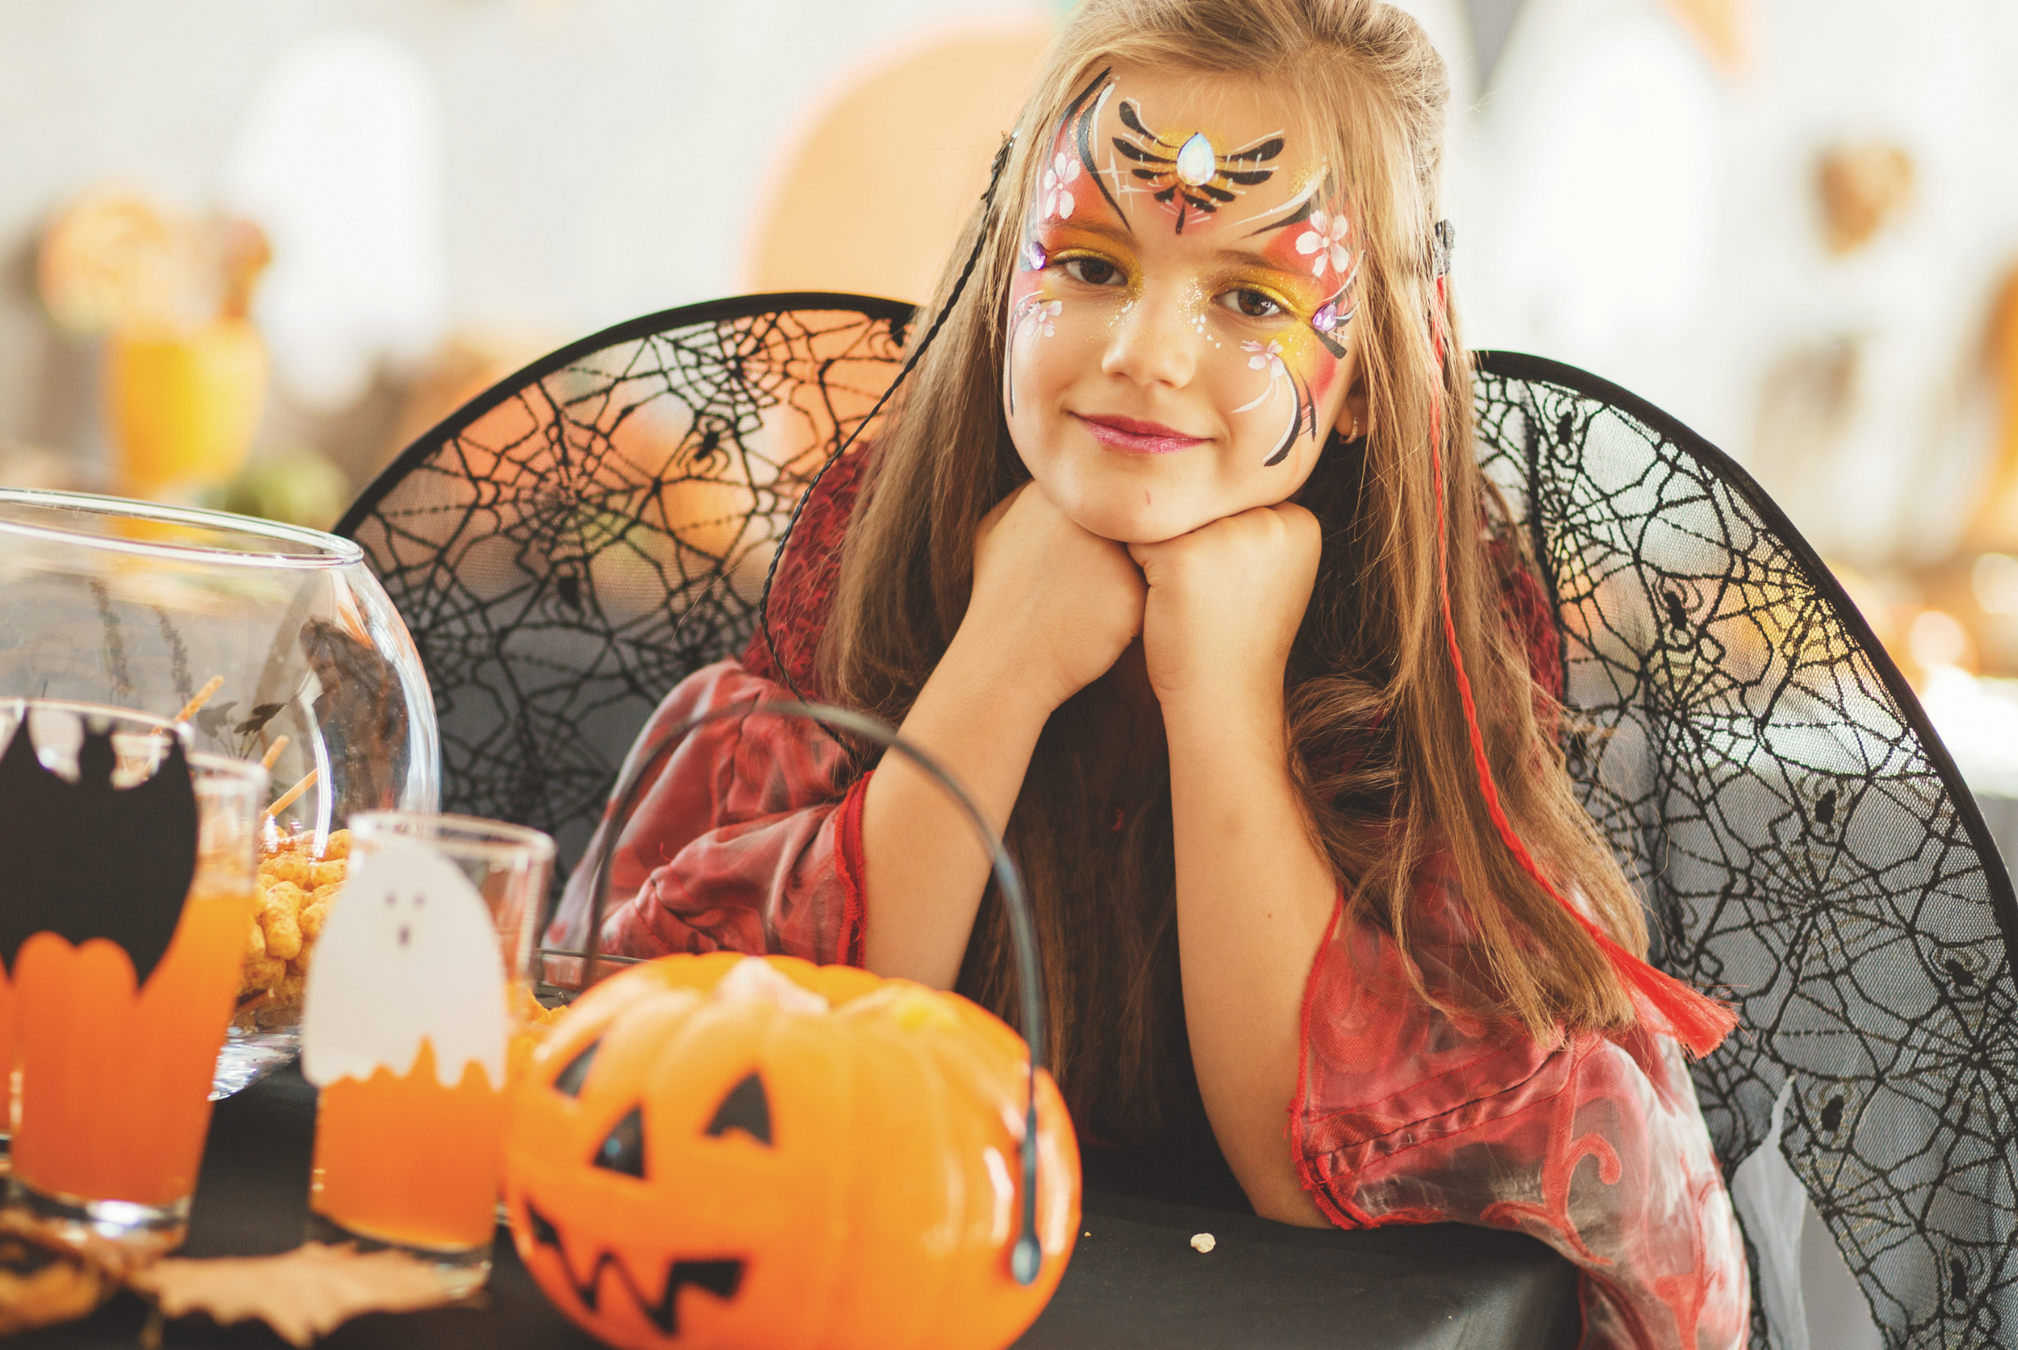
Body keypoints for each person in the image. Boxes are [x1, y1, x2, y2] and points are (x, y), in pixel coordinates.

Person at [549, 1, 1749, 1343]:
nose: (1144, 351)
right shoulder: (885, 568)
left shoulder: (1423, 661)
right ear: (1011, 264)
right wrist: (999, 663)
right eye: (1094, 265)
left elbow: (1317, 1176)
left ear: (1364, 371)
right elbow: (742, 1078)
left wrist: (1224, 694)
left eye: (1251, 296)